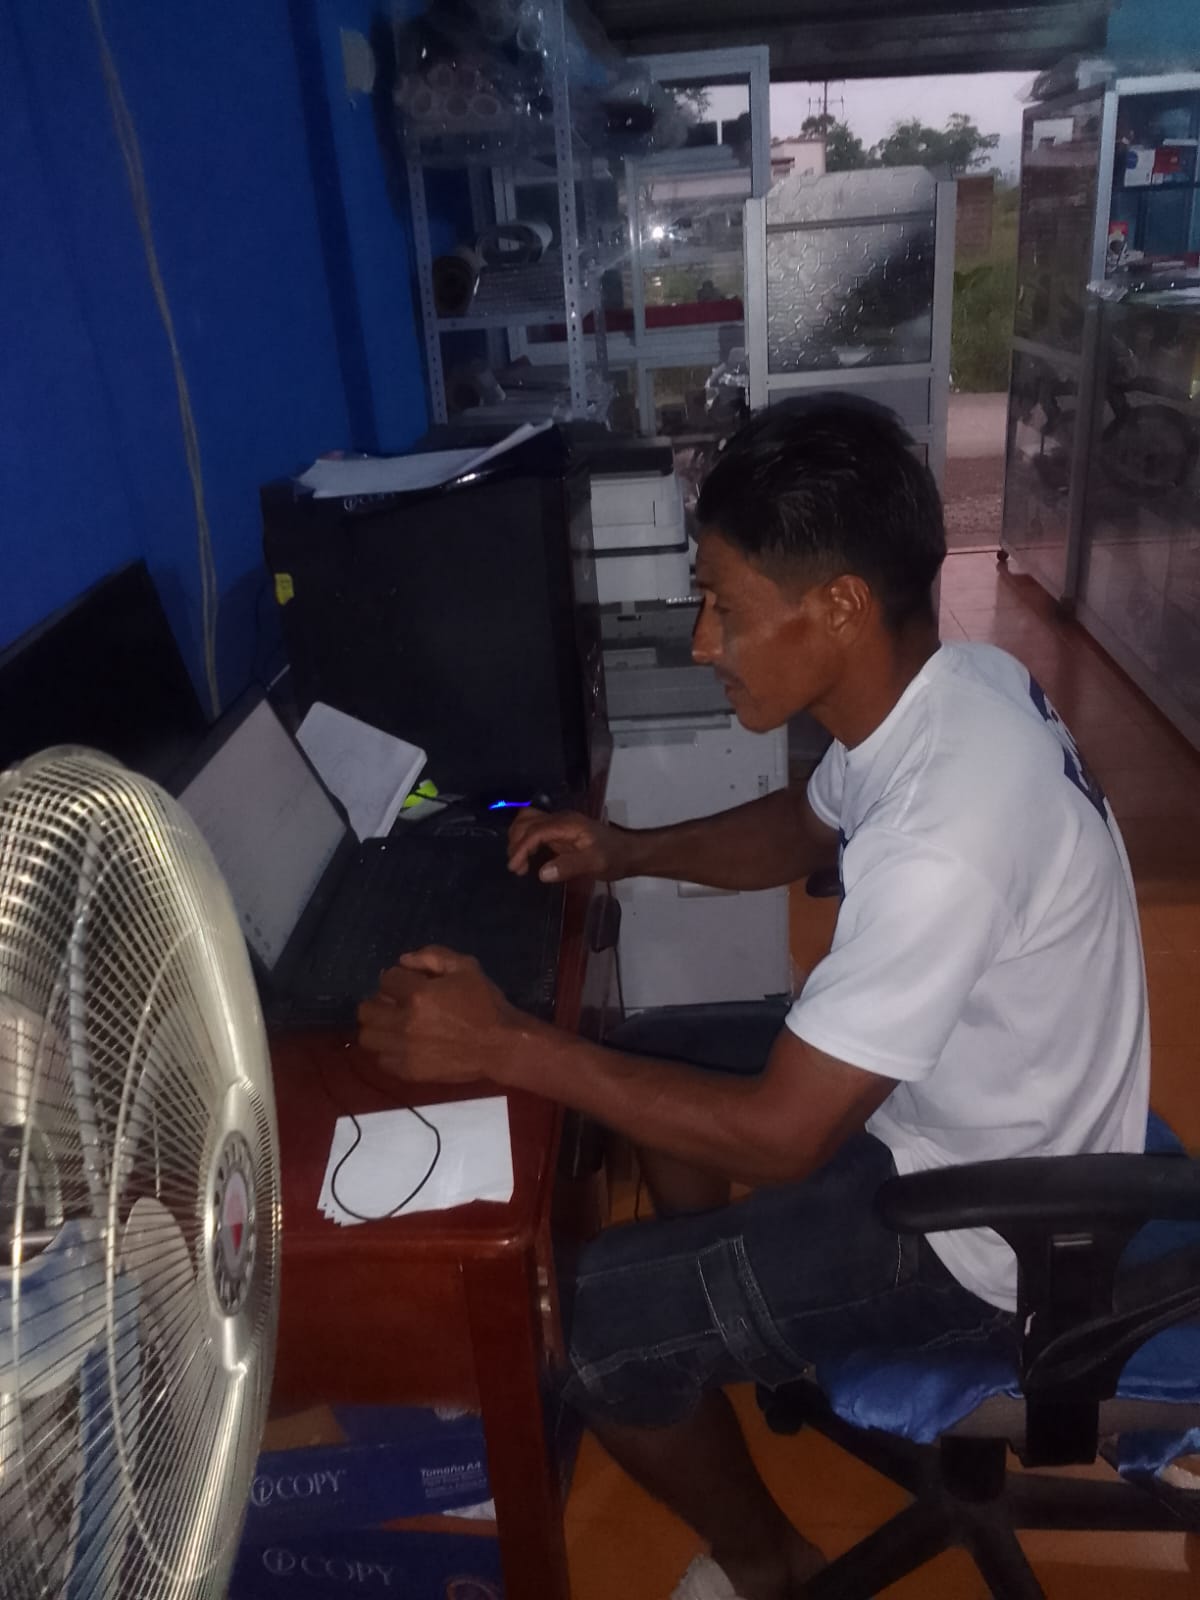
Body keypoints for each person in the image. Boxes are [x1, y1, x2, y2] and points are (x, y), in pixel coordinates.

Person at [357, 400, 1149, 1600]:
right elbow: (805, 823)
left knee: (590, 1326)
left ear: (839, 605)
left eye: (725, 605)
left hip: (996, 1235)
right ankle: (734, 1326)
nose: (701, 641)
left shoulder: (948, 832)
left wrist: (506, 1042)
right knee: (650, 1063)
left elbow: (783, 1136)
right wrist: (626, 850)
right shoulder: (950, 687)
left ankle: (770, 1565)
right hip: (969, 1111)